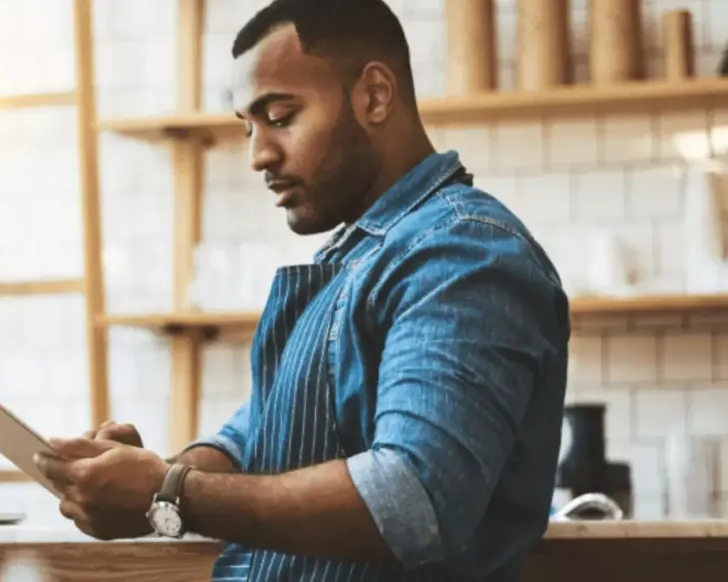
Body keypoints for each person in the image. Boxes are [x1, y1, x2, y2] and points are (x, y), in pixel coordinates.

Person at [35, 0, 570, 580]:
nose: (258, 154)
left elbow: (414, 499)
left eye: (281, 117)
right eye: (249, 126)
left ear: (375, 95)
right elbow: (251, 439)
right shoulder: (362, 255)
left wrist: (168, 492)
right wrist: (143, 474)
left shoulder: (462, 254)